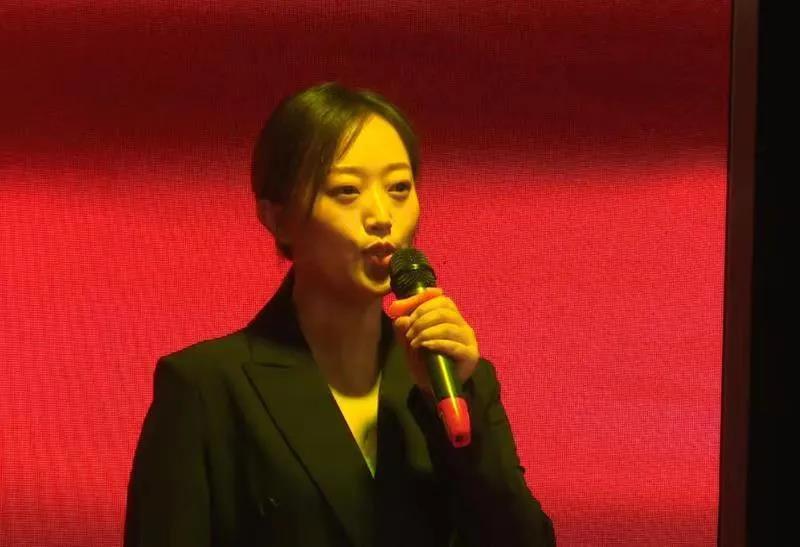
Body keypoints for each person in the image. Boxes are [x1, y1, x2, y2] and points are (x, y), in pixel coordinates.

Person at [124, 81, 556, 547]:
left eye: (399, 187)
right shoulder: (206, 388)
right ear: (277, 217)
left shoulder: (455, 377)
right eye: (347, 191)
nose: (382, 216)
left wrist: (449, 396)